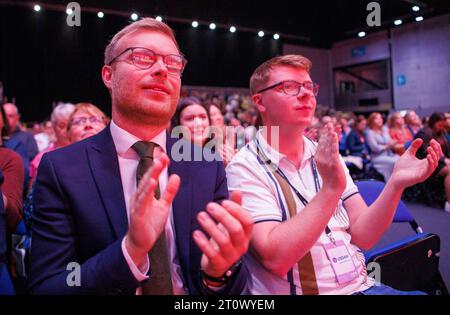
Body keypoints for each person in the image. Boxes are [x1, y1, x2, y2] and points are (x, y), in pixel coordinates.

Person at [28, 18, 252, 295]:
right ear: (108, 76)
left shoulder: (205, 163)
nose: (161, 69)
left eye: (173, 63)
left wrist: (216, 275)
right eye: (143, 57)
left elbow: (233, 288)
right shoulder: (62, 169)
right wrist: (129, 252)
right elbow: (47, 287)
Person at [226, 54, 442, 295]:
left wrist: (395, 184)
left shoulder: (327, 154)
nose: (306, 94)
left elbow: (364, 236)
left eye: (309, 86)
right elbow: (276, 258)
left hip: (364, 286)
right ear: (260, 101)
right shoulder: (244, 166)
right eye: (289, 87)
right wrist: (330, 190)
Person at [171, 97, 235, 166]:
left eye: (203, 117)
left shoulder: (218, 153)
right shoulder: (171, 158)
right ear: (178, 124)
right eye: (189, 119)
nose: (198, 123)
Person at [414, 112, 450, 212]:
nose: (441, 127)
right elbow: (427, 152)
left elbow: (446, 150)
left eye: (443, 125)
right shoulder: (423, 134)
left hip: (438, 162)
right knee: (449, 171)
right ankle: (449, 204)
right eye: (440, 125)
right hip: (426, 163)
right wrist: (444, 159)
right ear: (433, 122)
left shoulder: (441, 133)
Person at [29, 103, 75, 179]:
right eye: (62, 126)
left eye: (71, 125)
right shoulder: (42, 157)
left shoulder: (87, 152)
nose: (67, 130)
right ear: (54, 127)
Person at [365, 112, 399, 181]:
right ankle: (390, 183)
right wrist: (388, 146)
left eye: (380, 118)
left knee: (400, 159)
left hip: (389, 154)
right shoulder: (369, 132)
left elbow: (390, 141)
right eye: (377, 118)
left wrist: (393, 142)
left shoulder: (384, 130)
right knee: (395, 162)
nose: (380, 120)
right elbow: (375, 148)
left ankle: (399, 183)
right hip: (377, 157)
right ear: (371, 121)